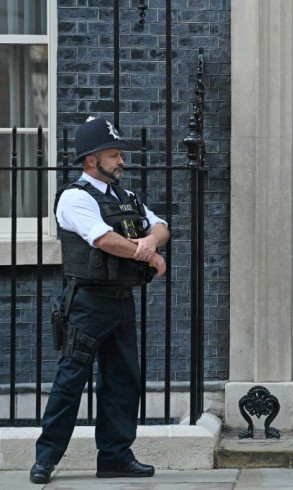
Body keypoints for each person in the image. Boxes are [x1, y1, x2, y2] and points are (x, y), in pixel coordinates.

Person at [29, 117, 170, 484]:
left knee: (124, 381)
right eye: (114, 154)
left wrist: (152, 241)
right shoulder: (75, 197)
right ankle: (46, 459)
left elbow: (161, 225)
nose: (121, 160)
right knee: (71, 380)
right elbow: (104, 240)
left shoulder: (126, 197)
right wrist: (150, 256)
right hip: (86, 304)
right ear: (91, 160)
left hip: (120, 301)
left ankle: (115, 457)